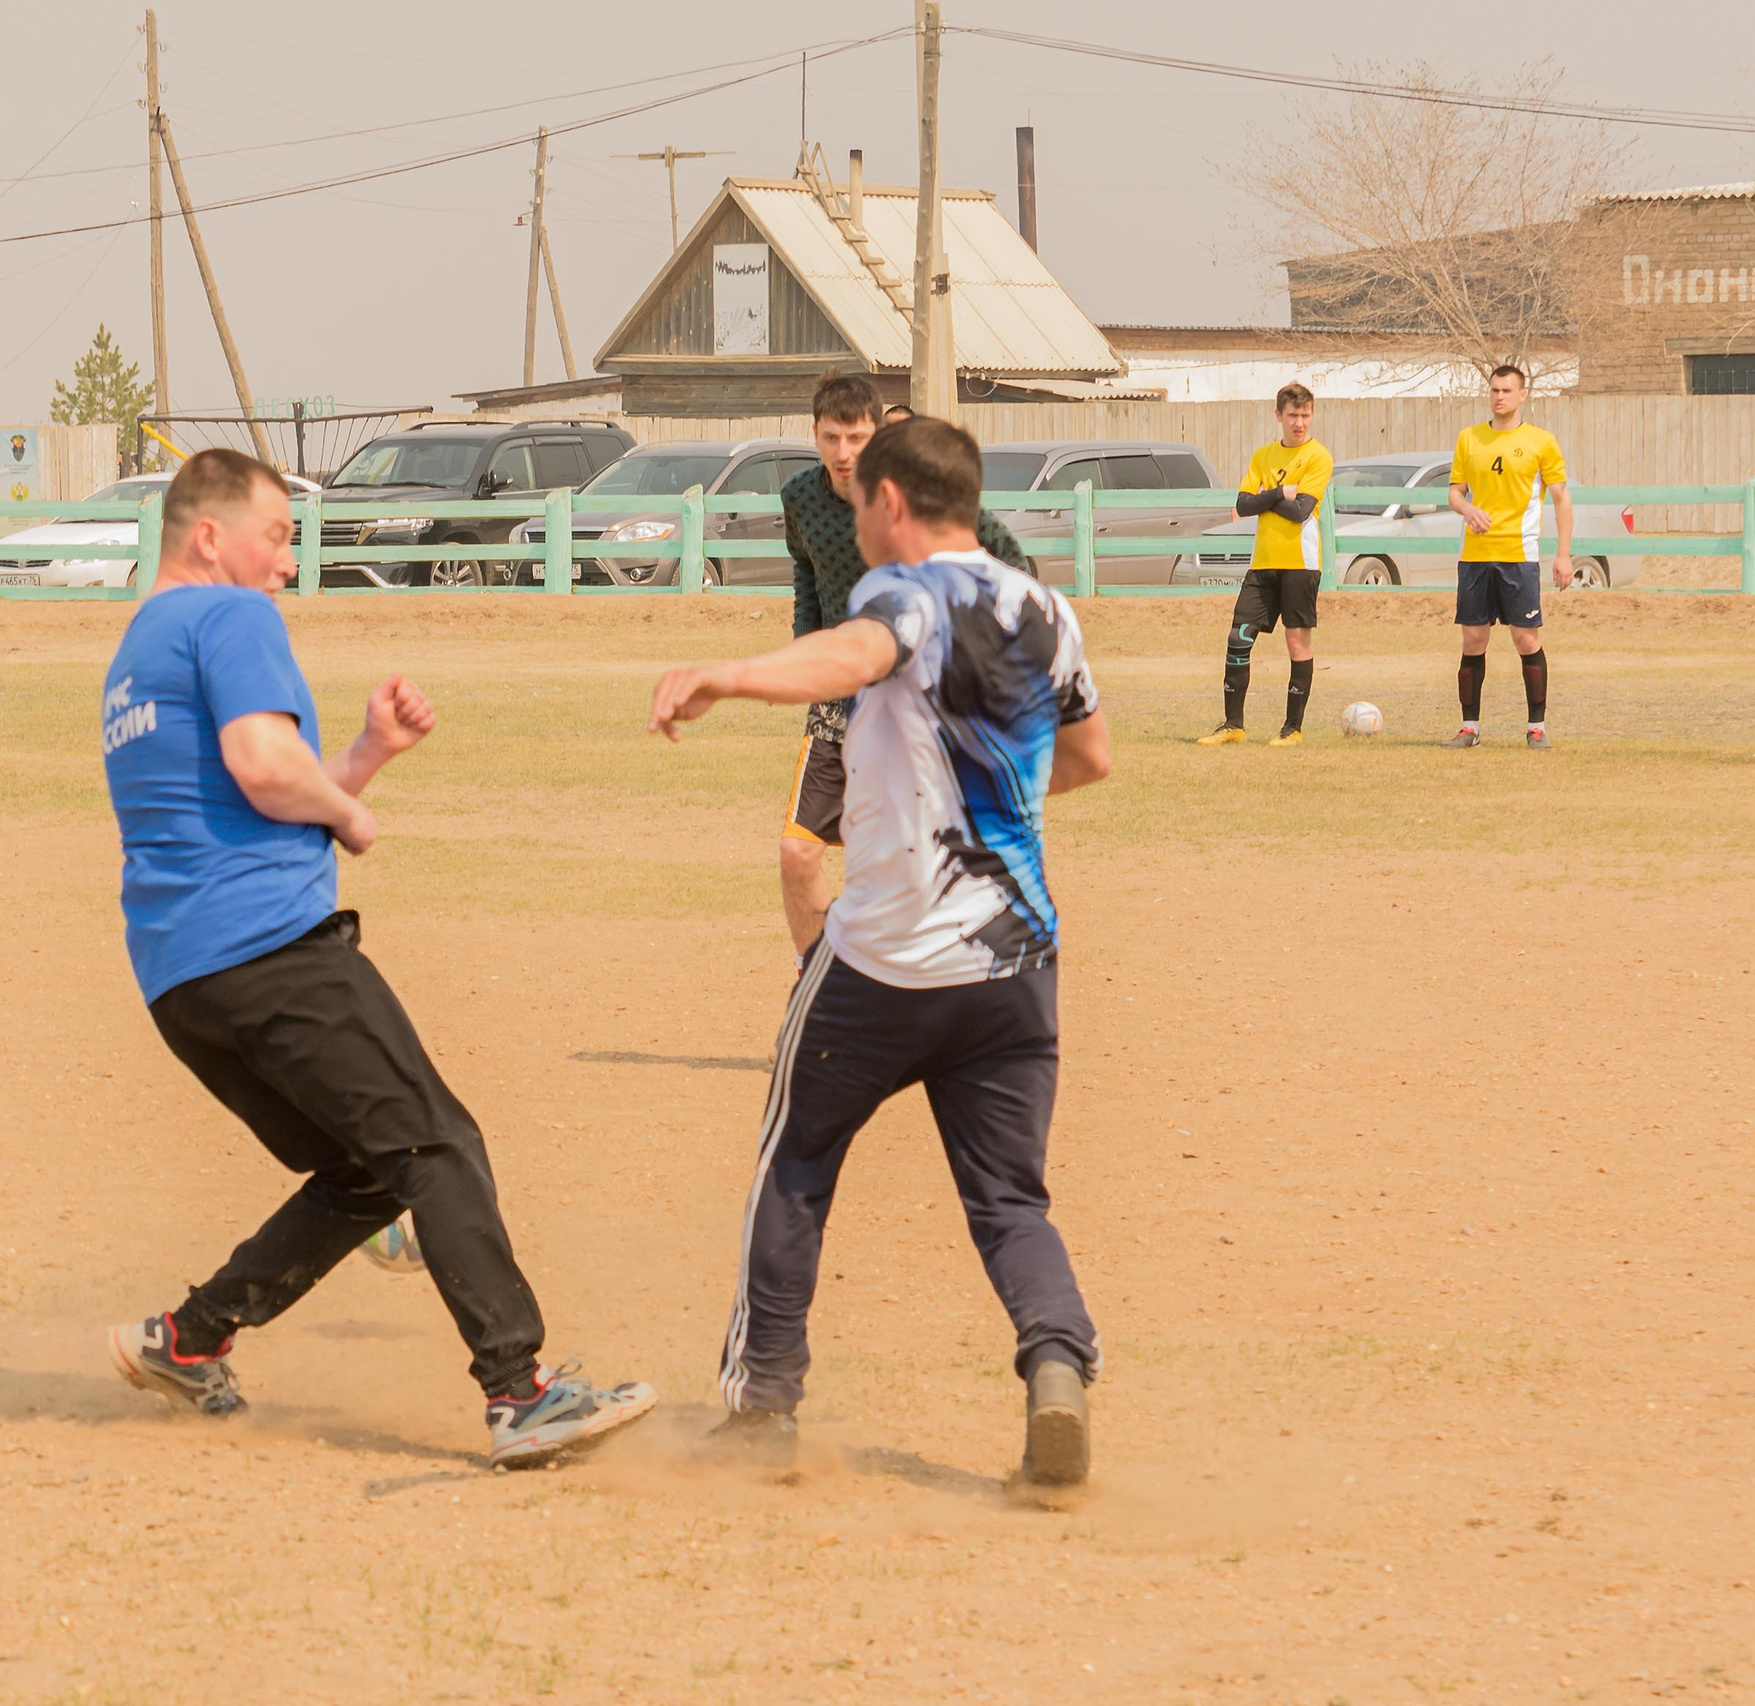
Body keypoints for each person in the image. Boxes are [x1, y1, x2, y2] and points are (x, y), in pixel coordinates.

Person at [100, 449, 657, 1467]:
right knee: (437, 1144)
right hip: (272, 951)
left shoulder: (139, 644)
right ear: (210, 536)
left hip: (184, 980)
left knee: (366, 1173)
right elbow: (263, 766)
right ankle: (520, 1393)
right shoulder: (232, 614)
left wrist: (365, 756)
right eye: (276, 536)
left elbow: (252, 795)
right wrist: (351, 811)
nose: (287, 560)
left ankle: (189, 1338)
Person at [649, 417, 1112, 1486]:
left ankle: (763, 1410)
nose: (855, 515)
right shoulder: (1046, 608)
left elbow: (858, 652)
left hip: (883, 966)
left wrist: (729, 674)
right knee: (1011, 1201)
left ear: (892, 503)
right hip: (1014, 965)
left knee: (796, 1164)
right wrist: (990, 796)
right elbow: (1089, 755)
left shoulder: (900, 590)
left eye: (862, 500)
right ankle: (1056, 1365)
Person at [781, 373, 1036, 959]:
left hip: (920, 707)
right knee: (797, 853)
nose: (843, 453)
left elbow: (1009, 560)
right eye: (831, 437)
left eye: (857, 438)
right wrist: (805, 650)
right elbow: (806, 572)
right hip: (837, 704)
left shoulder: (918, 492)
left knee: (916, 865)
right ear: (814, 434)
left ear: (879, 437)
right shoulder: (799, 497)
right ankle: (818, 984)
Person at [1443, 364, 1572, 750]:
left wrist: (1563, 554)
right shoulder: (1469, 438)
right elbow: (1454, 493)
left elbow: (1561, 498)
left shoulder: (1540, 442)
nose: (1499, 396)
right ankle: (1469, 728)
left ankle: (1536, 727)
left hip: (1519, 555)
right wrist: (1468, 509)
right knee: (1473, 640)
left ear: (1522, 395)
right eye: (1494, 390)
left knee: (1525, 639)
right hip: (1475, 556)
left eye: (1506, 390)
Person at [1197, 382, 1332, 748]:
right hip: (1263, 564)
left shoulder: (1319, 457)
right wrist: (1278, 493)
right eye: (1292, 415)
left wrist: (1264, 499)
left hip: (1300, 565)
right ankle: (1233, 725)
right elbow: (1242, 505)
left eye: (1305, 415)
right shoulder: (1263, 456)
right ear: (1278, 415)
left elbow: (1301, 511)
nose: (1299, 423)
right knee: (1238, 637)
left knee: (1296, 642)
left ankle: (1292, 728)